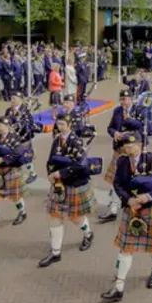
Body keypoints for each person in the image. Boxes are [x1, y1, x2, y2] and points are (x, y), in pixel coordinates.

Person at [100, 129, 152, 302]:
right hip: (131, 209)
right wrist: (128, 200)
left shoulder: (151, 159)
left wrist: (147, 197)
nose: (127, 148)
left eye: (131, 145)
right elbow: (117, 183)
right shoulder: (122, 161)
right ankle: (119, 286)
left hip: (149, 208)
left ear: (140, 145)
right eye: (125, 145)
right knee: (125, 247)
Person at [40, 111, 96, 267]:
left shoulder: (76, 141)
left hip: (73, 184)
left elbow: (81, 165)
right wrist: (51, 174)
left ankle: (88, 233)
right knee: (54, 217)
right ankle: (55, 252)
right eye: (58, 124)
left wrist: (61, 173)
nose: (60, 127)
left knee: (76, 217)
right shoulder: (57, 141)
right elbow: (50, 160)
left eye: (63, 124)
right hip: (59, 185)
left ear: (70, 125)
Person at [99, 89, 137, 222]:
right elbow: (110, 127)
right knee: (115, 180)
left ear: (131, 99)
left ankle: (135, 210)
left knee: (135, 181)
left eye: (125, 99)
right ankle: (113, 210)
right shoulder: (117, 111)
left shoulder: (139, 110)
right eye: (121, 99)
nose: (123, 102)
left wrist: (127, 136)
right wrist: (115, 133)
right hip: (119, 150)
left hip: (134, 150)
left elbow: (146, 129)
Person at [4, 92, 40, 183]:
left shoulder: (25, 110)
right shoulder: (8, 110)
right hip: (12, 138)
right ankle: (12, 173)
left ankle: (32, 173)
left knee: (25, 156)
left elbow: (30, 123)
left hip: (24, 138)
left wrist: (20, 124)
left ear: (20, 100)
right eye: (11, 98)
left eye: (14, 98)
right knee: (12, 155)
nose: (12, 100)